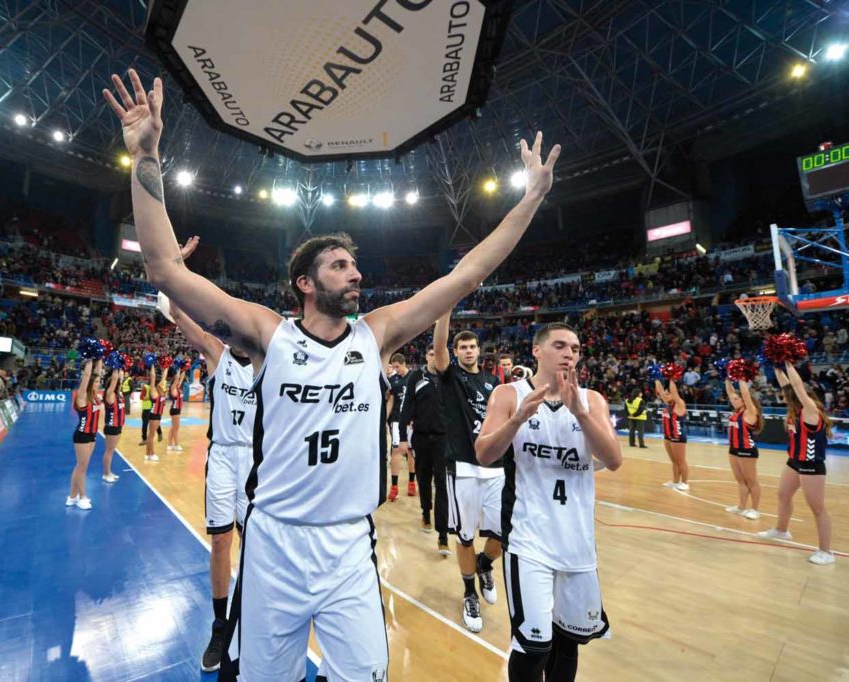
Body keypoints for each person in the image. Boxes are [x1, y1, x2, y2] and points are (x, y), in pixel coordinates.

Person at [103, 67, 558, 680]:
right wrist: (146, 157)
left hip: (348, 545)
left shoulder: (377, 334)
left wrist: (529, 198)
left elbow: (466, 275)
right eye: (340, 265)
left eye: (355, 265)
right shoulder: (268, 334)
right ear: (306, 282)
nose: (355, 273)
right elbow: (163, 269)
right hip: (274, 544)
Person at [475, 322, 623, 682]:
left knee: (567, 645)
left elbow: (614, 459)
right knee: (532, 648)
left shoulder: (594, 400)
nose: (569, 353)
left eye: (574, 347)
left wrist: (581, 414)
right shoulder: (510, 395)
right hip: (529, 540)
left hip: (576, 544)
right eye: (560, 345)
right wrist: (518, 419)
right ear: (537, 351)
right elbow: (483, 453)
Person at [165, 291, 256, 673]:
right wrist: (173, 275)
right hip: (221, 456)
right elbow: (177, 313)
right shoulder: (217, 355)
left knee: (255, 546)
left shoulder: (270, 361)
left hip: (256, 459)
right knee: (220, 542)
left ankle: (250, 621)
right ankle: (220, 627)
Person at [433, 312, 503, 633]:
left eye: (472, 346)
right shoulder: (450, 377)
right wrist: (444, 311)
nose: (468, 351)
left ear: (479, 349)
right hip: (463, 466)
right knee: (465, 535)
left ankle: (484, 565)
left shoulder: (494, 384)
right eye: (463, 347)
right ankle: (469, 593)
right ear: (457, 352)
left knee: (503, 534)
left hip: (497, 467)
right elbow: (439, 347)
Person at [758, 362, 835, 565]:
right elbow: (788, 386)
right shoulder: (796, 411)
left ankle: (826, 551)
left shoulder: (811, 411)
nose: (786, 396)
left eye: (790, 395)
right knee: (783, 495)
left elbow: (797, 387)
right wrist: (775, 366)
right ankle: (781, 530)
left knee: (817, 507)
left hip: (811, 464)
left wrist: (787, 362)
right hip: (794, 461)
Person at [400, 344, 451, 554]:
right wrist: (403, 438)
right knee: (423, 478)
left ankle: (443, 535)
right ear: (427, 356)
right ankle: (425, 513)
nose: (435, 358)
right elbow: (406, 408)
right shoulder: (415, 377)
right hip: (421, 437)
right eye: (432, 354)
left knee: (442, 484)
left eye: (439, 355)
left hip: (444, 439)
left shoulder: (450, 378)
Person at [723, 378, 762, 519]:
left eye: (736, 399)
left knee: (751, 481)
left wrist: (740, 377)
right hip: (733, 449)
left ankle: (755, 509)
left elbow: (745, 393)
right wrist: (727, 378)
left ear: (744, 400)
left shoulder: (750, 412)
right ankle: (741, 507)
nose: (733, 401)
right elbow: (730, 392)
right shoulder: (737, 412)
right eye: (732, 399)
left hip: (747, 450)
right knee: (740, 480)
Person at [67, 359, 102, 511]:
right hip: (82, 435)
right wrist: (89, 360)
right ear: (89, 384)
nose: (98, 384)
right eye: (96, 382)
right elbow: (88, 376)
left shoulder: (95, 396)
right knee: (82, 468)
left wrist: (99, 359)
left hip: (92, 435)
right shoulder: (82, 396)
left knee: (81, 467)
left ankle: (71, 496)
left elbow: (96, 374)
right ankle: (82, 497)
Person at [386, 352, 415, 501]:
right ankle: (394, 487)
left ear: (404, 364)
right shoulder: (394, 380)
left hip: (411, 421)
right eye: (394, 367)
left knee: (411, 452)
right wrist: (385, 418)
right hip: (397, 420)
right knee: (397, 451)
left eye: (397, 366)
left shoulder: (414, 377)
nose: (396, 369)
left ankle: (411, 482)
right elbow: (391, 400)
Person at [654, 378, 689, 490]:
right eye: (666, 393)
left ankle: (684, 483)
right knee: (673, 461)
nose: (666, 394)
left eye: (668, 393)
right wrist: (656, 378)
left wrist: (671, 378)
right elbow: (660, 391)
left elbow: (673, 391)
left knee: (681, 460)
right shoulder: (668, 404)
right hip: (668, 436)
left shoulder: (680, 404)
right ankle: (675, 481)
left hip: (678, 436)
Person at [101, 368, 124, 484]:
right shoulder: (110, 395)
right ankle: (105, 473)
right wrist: (116, 367)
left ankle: (109, 472)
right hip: (111, 426)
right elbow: (115, 379)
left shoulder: (118, 395)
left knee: (112, 451)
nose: (119, 384)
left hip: (118, 426)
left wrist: (121, 371)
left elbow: (119, 379)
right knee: (109, 451)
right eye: (117, 383)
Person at [145, 364, 167, 462]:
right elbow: (153, 377)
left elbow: (164, 377)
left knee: (151, 435)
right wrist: (152, 365)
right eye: (161, 382)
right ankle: (152, 454)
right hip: (154, 415)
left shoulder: (161, 390)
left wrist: (167, 366)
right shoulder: (153, 391)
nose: (163, 382)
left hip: (158, 415)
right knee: (151, 435)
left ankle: (147, 454)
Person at [138, 376, 163, 445]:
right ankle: (157, 434)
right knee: (149, 423)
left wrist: (151, 397)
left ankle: (147, 438)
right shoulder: (150, 388)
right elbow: (141, 397)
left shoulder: (156, 389)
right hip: (150, 408)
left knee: (149, 424)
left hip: (151, 408)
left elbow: (141, 397)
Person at [166, 364, 184, 452]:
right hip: (175, 410)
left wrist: (183, 368)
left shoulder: (177, 388)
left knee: (173, 427)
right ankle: (176, 445)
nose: (178, 382)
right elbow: (177, 378)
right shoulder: (173, 389)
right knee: (176, 428)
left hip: (177, 410)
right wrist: (178, 369)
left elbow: (181, 378)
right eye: (176, 382)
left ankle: (169, 444)